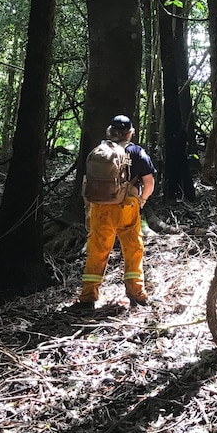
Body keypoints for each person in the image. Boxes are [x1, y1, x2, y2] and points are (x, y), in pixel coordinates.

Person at [77, 115, 156, 309]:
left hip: (100, 208)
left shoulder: (99, 151)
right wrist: (142, 200)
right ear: (130, 133)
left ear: (109, 131)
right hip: (127, 206)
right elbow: (149, 183)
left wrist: (89, 207)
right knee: (132, 249)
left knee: (97, 250)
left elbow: (86, 182)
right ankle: (136, 293)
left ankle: (88, 296)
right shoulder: (136, 152)